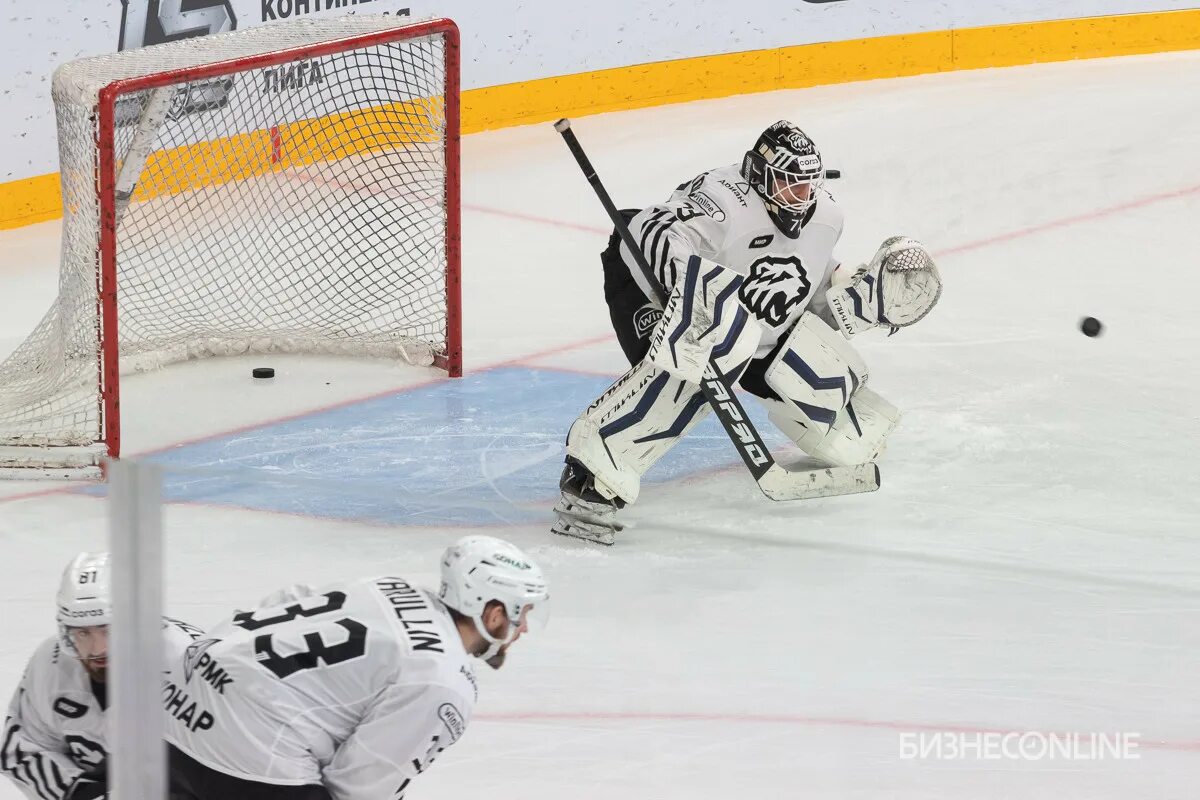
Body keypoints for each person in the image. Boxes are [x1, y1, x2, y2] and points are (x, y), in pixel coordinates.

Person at [552, 120, 943, 544]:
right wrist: (691, 289)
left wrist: (859, 297)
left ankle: (832, 419)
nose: (802, 196)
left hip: (740, 310)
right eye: (790, 184)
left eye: (808, 184)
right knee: (708, 345)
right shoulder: (723, 201)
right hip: (643, 287)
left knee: (848, 435)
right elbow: (649, 232)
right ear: (760, 175)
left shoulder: (825, 216)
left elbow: (808, 284)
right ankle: (595, 467)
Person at [164, 535, 549, 800]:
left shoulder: (392, 587)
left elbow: (285, 599)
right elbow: (360, 785)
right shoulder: (443, 679)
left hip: (175, 711)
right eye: (523, 613)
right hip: (245, 757)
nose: (525, 627)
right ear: (494, 612)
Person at [0, 552, 205, 800]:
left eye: (107, 629)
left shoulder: (189, 665)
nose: (97, 650)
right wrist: (83, 793)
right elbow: (22, 751)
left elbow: (226, 769)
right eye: (82, 633)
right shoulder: (50, 665)